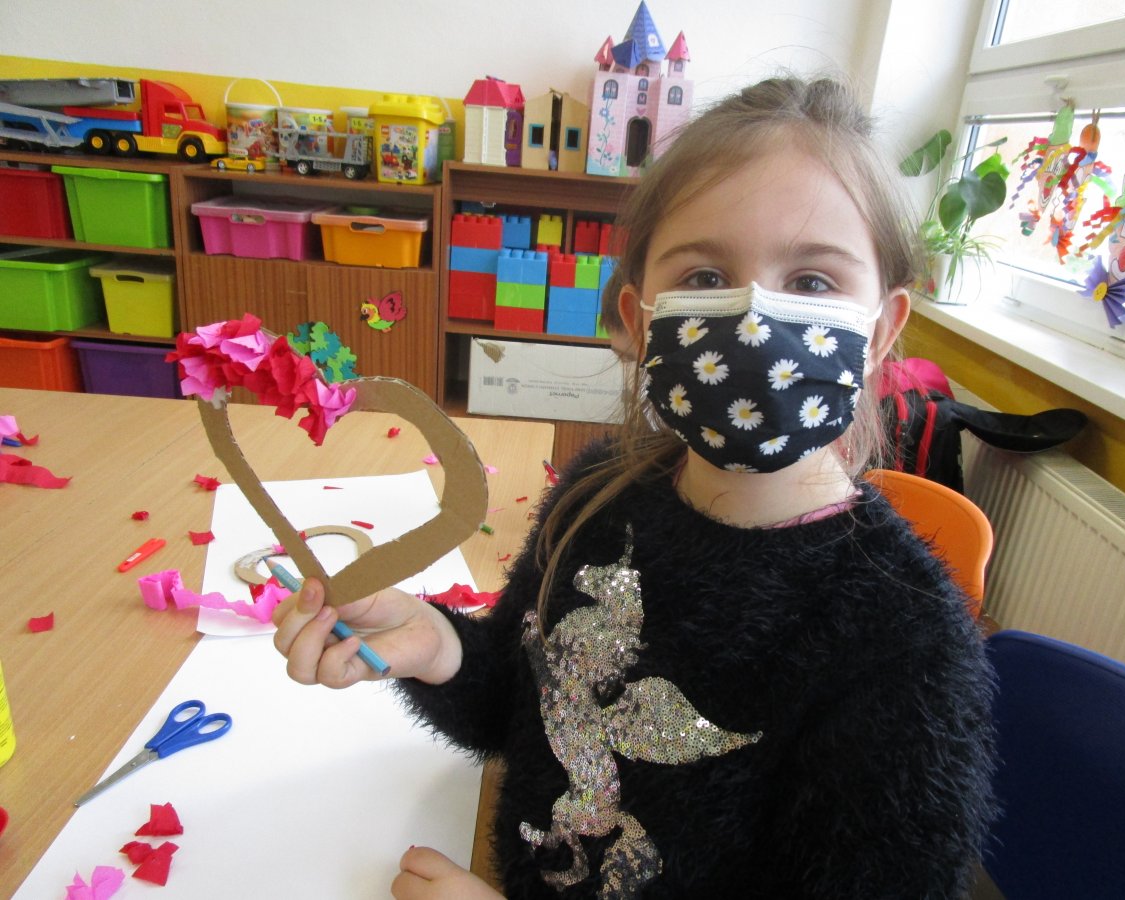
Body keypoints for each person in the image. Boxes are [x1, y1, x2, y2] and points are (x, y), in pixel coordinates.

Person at [273, 75, 996, 899]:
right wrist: (437, 648)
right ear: (637, 320)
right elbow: (523, 703)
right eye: (705, 276)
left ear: (882, 330)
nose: (755, 321)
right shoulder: (598, 497)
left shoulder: (907, 645)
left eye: (813, 282)